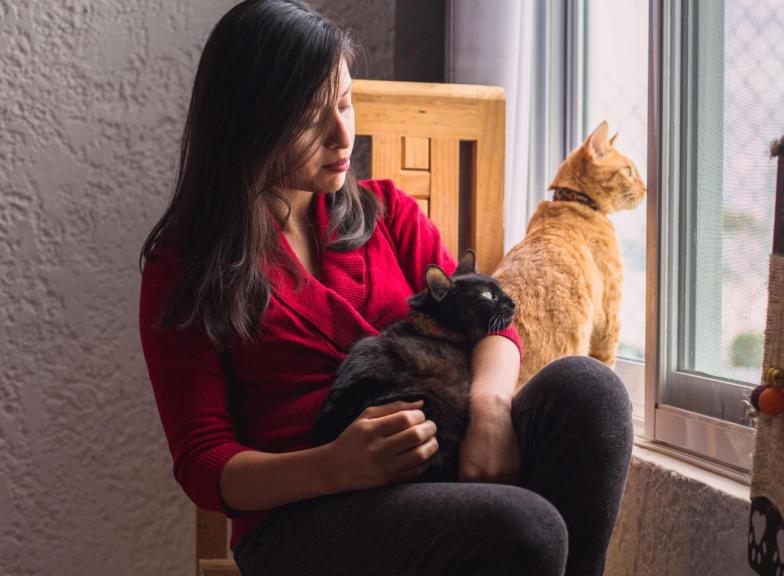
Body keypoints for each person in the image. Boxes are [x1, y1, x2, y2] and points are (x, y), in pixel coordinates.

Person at [138, 1, 632, 574]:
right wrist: (334, 466)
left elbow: (491, 320)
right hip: (301, 515)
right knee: (527, 528)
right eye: (310, 116)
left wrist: (491, 407)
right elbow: (203, 463)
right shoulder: (185, 265)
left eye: (346, 102)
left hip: (441, 454)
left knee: (590, 391)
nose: (342, 132)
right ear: (251, 121)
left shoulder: (386, 211)